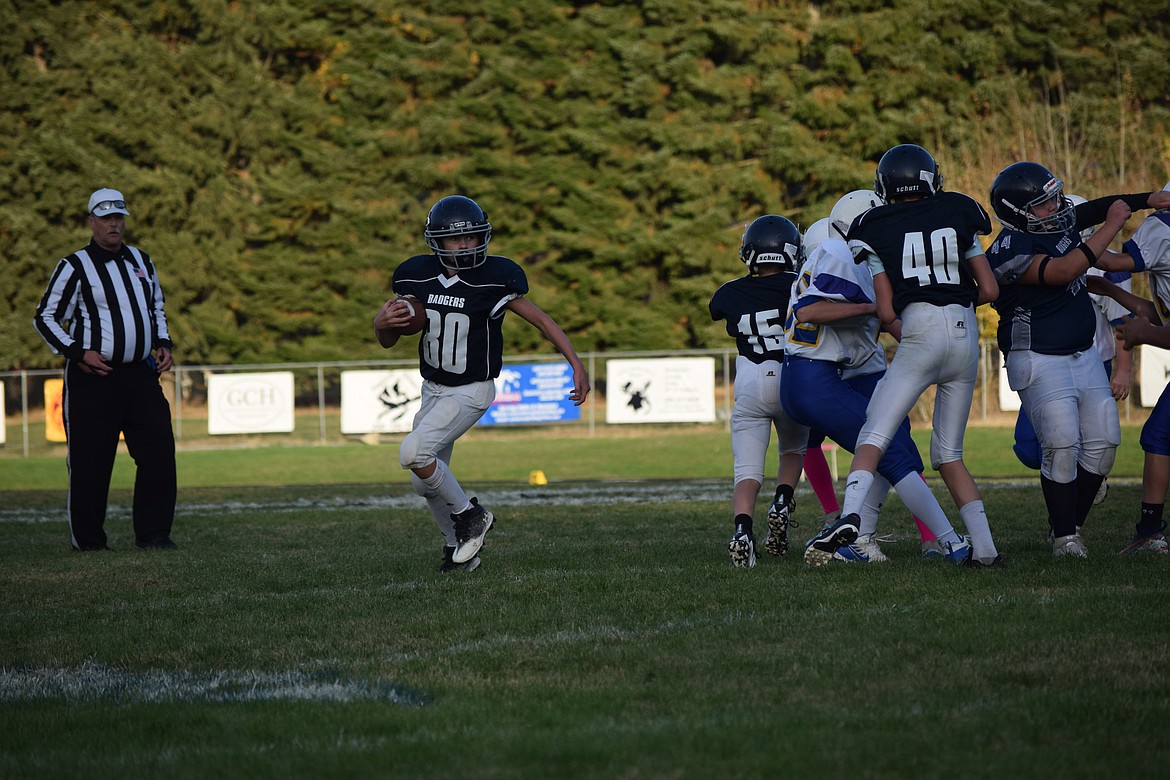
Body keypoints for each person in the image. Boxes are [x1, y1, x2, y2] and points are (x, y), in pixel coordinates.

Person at [808, 146, 1002, 567]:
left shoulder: (872, 225)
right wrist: (955, 298)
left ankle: (853, 519)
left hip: (921, 333)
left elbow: (887, 310)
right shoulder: (958, 209)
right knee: (949, 453)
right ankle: (986, 552)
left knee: (873, 435)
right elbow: (989, 291)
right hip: (965, 335)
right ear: (932, 178)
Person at [375, 195, 590, 573]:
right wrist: (381, 325)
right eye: (456, 240)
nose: (465, 246)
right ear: (436, 241)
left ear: (483, 238)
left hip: (472, 389)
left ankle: (471, 515)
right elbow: (390, 338)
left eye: (471, 238)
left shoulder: (495, 277)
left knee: (412, 453)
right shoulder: (415, 275)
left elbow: (541, 320)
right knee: (424, 483)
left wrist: (575, 363)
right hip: (434, 389)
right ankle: (458, 550)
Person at [983, 162, 1169, 557]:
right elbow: (1067, 269)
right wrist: (1115, 224)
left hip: (1083, 351)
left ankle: (1068, 525)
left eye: (1054, 196)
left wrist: (1145, 200)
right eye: (1044, 203)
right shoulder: (1009, 248)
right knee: (1061, 442)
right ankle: (1066, 536)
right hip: (1036, 356)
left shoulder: (1052, 224)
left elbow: (1095, 209)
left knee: (1104, 442)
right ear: (1018, 213)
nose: (1056, 207)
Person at [783, 190, 975, 566]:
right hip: (814, 377)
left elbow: (888, 324)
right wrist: (875, 307)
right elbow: (809, 311)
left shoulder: (852, 257)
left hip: (830, 372)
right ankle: (949, 542)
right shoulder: (842, 254)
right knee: (894, 453)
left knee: (898, 437)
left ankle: (861, 538)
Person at [33, 188, 178, 551]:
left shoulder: (141, 261)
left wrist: (164, 343)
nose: (114, 224)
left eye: (119, 217)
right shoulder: (75, 265)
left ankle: (154, 533)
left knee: (158, 452)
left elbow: (155, 308)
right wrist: (78, 352)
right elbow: (46, 316)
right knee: (91, 461)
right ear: (91, 221)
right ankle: (90, 541)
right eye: (106, 217)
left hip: (141, 376)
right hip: (94, 377)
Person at [1010, 194, 1135, 512]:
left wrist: (1123, 369)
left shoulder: (1109, 266)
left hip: (1094, 363)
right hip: (1047, 362)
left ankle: (1066, 525)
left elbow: (1124, 321)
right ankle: (1077, 488)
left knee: (1078, 442)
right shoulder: (1040, 258)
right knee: (1028, 446)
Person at [709, 215, 809, 567]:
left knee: (747, 468)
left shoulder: (729, 292)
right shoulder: (802, 284)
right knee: (794, 449)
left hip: (750, 379)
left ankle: (742, 530)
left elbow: (718, 311)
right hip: (791, 376)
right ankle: (782, 500)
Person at [1082, 186, 1170, 552]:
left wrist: (1110, 221)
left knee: (1159, 436)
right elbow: (1158, 311)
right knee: (1158, 435)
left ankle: (1151, 531)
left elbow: (1111, 262)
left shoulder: (1162, 228)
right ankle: (1149, 529)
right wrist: (1111, 292)